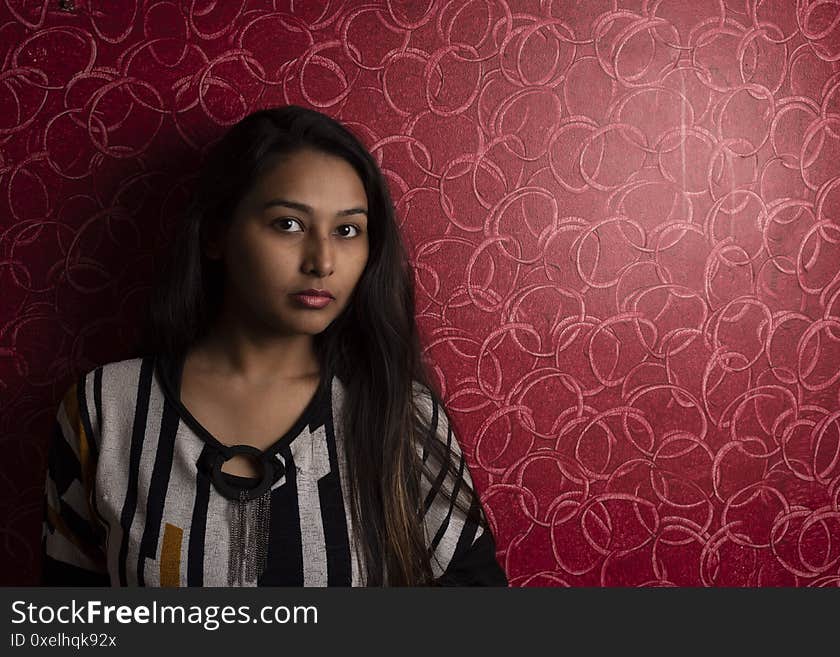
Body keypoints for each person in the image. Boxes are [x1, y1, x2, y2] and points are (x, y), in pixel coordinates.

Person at [40, 104, 508, 587]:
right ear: (217, 233)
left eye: (347, 230)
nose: (322, 261)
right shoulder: (104, 409)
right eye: (288, 224)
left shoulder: (400, 412)